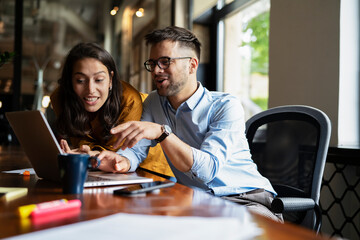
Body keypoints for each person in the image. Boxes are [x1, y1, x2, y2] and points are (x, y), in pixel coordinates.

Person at [95, 27, 282, 222]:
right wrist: (116, 161)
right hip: (198, 202)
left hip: (247, 199)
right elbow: (136, 152)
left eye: (165, 62)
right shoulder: (153, 102)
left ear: (192, 65)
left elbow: (208, 171)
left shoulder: (226, 106)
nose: (157, 71)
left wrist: (162, 133)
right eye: (152, 63)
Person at [50, 42, 173, 177]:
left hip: (149, 170)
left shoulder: (130, 100)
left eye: (99, 79)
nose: (90, 90)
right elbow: (79, 140)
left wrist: (84, 152)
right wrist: (83, 152)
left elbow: (118, 153)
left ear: (110, 79)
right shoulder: (60, 98)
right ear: (70, 82)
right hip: (100, 169)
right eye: (80, 80)